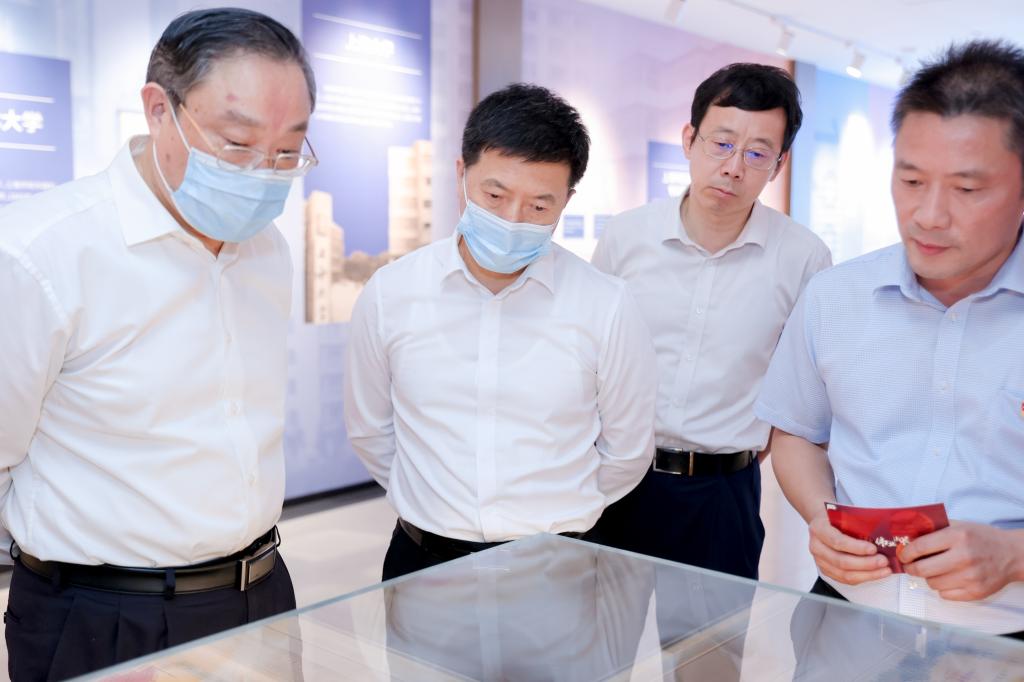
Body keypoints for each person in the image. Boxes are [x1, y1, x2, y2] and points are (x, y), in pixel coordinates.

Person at [0, 9, 318, 679]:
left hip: (261, 591)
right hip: (107, 615)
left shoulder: (267, 250)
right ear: (158, 110)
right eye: (238, 143)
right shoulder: (40, 255)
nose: (263, 173)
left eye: (288, 153)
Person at [756, 40, 1024, 637]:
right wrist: (821, 516)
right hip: (845, 613)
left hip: (1004, 637)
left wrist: (1013, 556)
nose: (928, 214)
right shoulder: (834, 296)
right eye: (911, 179)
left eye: (967, 189)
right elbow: (796, 431)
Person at [343, 83, 657, 581]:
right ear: (461, 174)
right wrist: (433, 503)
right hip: (425, 560)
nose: (512, 220)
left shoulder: (606, 304)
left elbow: (626, 452)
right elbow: (370, 431)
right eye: (495, 195)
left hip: (558, 569)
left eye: (539, 206)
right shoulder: (392, 293)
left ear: (567, 200)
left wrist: (557, 517)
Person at [592, 63, 831, 579]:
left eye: (757, 153)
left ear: (779, 164)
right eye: (721, 144)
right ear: (689, 139)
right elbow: (589, 357)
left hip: (722, 495)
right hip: (617, 481)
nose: (733, 168)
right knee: (600, 631)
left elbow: (800, 390)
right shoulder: (626, 237)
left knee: (711, 635)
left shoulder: (804, 258)